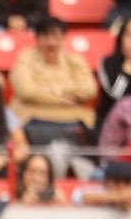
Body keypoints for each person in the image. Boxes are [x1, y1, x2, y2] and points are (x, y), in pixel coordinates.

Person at [10, 17, 97, 147]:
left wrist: (48, 90)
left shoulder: (75, 60)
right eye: (45, 37)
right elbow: (26, 91)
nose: (51, 43)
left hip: (73, 122)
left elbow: (89, 89)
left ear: (63, 38)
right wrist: (63, 99)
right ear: (37, 38)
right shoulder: (25, 57)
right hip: (33, 120)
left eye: (56, 37)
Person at [95, 17, 131, 135]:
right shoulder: (108, 63)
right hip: (111, 120)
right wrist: (126, 72)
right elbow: (115, 96)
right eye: (129, 35)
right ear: (120, 39)